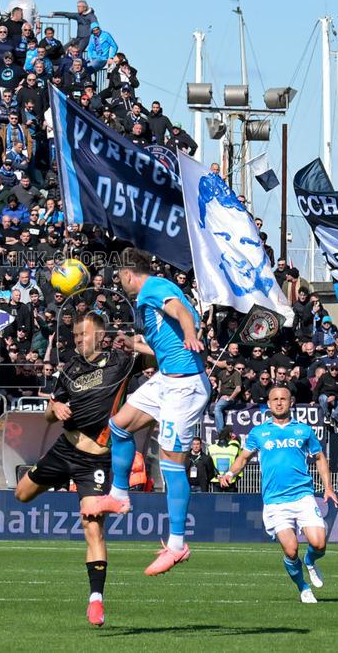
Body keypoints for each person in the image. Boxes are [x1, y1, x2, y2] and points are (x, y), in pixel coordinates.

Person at [91, 247, 211, 578]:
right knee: (119, 425)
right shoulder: (150, 297)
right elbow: (165, 345)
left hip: (184, 387)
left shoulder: (156, 288)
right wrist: (134, 345)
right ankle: (119, 496)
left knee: (173, 465)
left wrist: (190, 333)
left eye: (119, 277)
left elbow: (182, 315)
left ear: (129, 275)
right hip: (166, 380)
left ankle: (177, 545)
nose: (119, 283)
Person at [14, 312, 134, 627]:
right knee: (22, 494)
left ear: (100, 335)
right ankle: (67, 486)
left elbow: (156, 357)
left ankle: (96, 600)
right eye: (76, 336)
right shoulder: (69, 370)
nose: (78, 340)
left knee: (92, 526)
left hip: (95, 460)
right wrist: (54, 409)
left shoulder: (120, 362)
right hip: (65, 449)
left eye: (83, 334)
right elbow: (48, 416)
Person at [219, 385, 338, 603]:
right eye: (275, 399)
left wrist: (328, 487)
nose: (279, 402)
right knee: (291, 550)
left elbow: (320, 458)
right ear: (268, 404)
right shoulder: (259, 432)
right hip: (275, 501)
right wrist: (229, 473)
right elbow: (244, 458)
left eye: (283, 398)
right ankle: (303, 587)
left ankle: (310, 561)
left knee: (319, 544)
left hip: (303, 495)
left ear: (291, 402)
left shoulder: (303, 430)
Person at [208, 427, 241, 492]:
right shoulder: (234, 449)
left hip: (217, 480)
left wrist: (218, 476)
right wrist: (236, 477)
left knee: (217, 501)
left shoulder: (211, 448)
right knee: (231, 501)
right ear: (229, 435)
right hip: (230, 479)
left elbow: (210, 465)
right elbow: (238, 464)